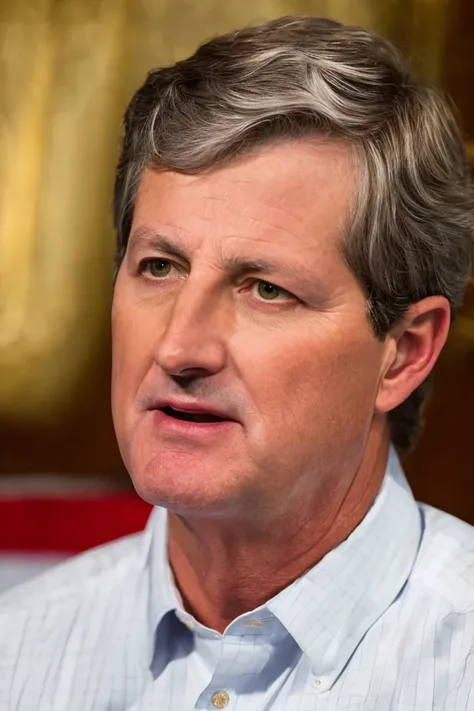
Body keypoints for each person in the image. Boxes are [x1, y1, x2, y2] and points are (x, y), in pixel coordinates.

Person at [1, 14, 473, 711]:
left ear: (403, 353)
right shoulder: (17, 651)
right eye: (159, 267)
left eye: (266, 289)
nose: (178, 348)